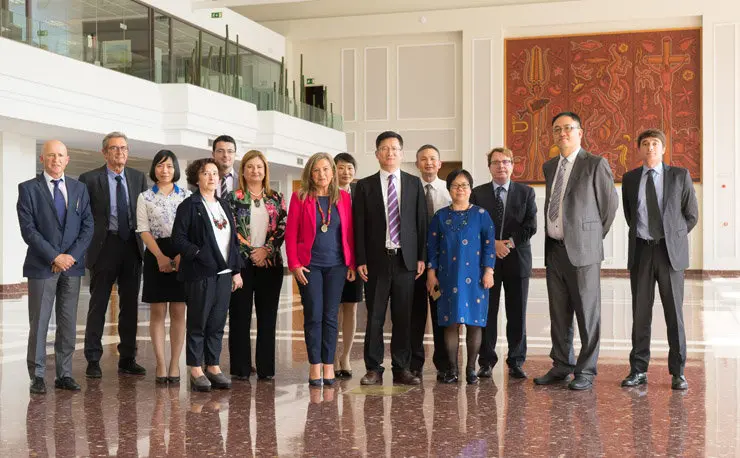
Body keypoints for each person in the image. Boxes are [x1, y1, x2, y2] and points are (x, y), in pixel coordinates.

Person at [534, 112, 619, 390]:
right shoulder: (550, 167)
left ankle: (586, 370)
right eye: (557, 129)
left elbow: (609, 208)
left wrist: (590, 238)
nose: (562, 134)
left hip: (584, 252)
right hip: (554, 251)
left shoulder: (595, 164)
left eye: (568, 128)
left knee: (587, 313)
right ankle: (561, 364)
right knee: (558, 314)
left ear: (580, 133)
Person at [620, 129, 698, 390]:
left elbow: (691, 215)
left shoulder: (679, 176)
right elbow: (631, 216)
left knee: (674, 314)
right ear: (639, 150)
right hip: (642, 251)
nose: (650, 148)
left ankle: (678, 372)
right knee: (640, 314)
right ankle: (638, 370)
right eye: (645, 144)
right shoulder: (630, 179)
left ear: (663, 149)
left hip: (669, 254)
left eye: (655, 143)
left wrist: (673, 236)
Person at [17, 140, 94, 394]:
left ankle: (65, 374)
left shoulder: (79, 189)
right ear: (42, 159)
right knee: (39, 322)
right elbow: (29, 230)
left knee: (68, 321)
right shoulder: (28, 189)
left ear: (67, 159)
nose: (56, 160)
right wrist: (54, 256)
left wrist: (70, 256)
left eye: (60, 155)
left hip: (72, 267)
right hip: (42, 266)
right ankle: (37, 375)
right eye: (51, 155)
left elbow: (87, 226)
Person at [354, 131, 427, 386]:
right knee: (374, 316)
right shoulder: (364, 186)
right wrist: (360, 258)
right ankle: (373, 368)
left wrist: (421, 257)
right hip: (376, 261)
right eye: (384, 148)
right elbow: (358, 225)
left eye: (395, 148)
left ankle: (401, 367)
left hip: (405, 261)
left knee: (403, 316)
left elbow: (421, 223)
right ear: (377, 154)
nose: (390, 152)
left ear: (402, 153)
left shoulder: (414, 183)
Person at [79, 131, 148, 378]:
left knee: (130, 306)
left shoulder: (138, 178)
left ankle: (127, 358)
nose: (120, 153)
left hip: (132, 247)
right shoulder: (89, 179)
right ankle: (93, 359)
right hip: (104, 247)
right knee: (98, 305)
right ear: (105, 152)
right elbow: (83, 218)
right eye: (115, 148)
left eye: (124, 148)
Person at [171, 158, 243, 392]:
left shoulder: (223, 205)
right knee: (198, 322)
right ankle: (195, 368)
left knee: (217, 323)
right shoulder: (189, 205)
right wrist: (199, 253)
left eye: (215, 173)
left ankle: (213, 365)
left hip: (223, 274)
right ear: (197, 178)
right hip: (200, 273)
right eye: (206, 173)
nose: (211, 177)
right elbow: (178, 239)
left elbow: (232, 241)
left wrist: (236, 271)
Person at [285, 153, 356, 386]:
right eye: (316, 170)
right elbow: (291, 233)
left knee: (331, 316)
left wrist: (352, 263)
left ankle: (329, 364)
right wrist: (294, 264)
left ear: (333, 173)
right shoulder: (300, 197)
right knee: (313, 315)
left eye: (326, 169)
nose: (321, 174)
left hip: (337, 266)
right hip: (309, 266)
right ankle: (315, 364)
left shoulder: (344, 198)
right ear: (310, 173)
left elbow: (349, 233)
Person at [471, 147, 537, 379]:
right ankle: (486, 361)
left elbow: (530, 226)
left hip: (516, 260)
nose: (501, 166)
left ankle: (516, 361)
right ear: (489, 167)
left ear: (512, 165)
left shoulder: (526, 193)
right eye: (496, 162)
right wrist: (493, 245)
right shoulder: (477, 194)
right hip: (487, 263)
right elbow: (474, 226)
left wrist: (506, 244)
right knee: (487, 312)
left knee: (516, 312)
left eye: (505, 161)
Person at [426, 169, 495, 384]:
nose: (460, 189)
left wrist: (489, 271)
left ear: (470, 189)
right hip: (447, 277)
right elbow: (432, 247)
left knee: (475, 323)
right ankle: (452, 370)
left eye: (464, 185)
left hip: (476, 278)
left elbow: (489, 246)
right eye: (455, 185)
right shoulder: (440, 216)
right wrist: (431, 273)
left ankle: (471, 369)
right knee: (449, 323)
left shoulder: (482, 215)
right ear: (449, 189)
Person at [227, 149, 287, 381]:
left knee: (267, 317)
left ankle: (266, 369)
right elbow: (230, 230)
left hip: (270, 265)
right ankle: (240, 369)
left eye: (259, 167)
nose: (255, 170)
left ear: (265, 171)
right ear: (243, 170)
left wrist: (266, 251)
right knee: (240, 316)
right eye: (250, 166)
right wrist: (251, 253)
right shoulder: (233, 198)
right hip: (242, 265)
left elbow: (283, 227)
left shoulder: (276, 198)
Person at [136, 150, 191, 384]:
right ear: (154, 169)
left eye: (169, 166)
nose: (164, 170)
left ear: (175, 168)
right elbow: (142, 229)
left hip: (181, 254)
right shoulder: (145, 197)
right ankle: (160, 364)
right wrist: (159, 256)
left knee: (179, 312)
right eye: (160, 166)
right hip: (155, 253)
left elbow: (191, 229)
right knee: (157, 313)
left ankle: (174, 365)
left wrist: (180, 256)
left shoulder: (187, 196)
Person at [410, 144, 452, 380]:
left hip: (438, 270)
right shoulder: (411, 190)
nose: (428, 163)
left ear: (439, 163)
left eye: (432, 159)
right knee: (415, 314)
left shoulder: (449, 193)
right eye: (423, 159)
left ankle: (443, 363)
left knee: (438, 313)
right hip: (415, 267)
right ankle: (415, 363)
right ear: (417, 164)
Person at [333, 152, 362, 379]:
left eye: (349, 168)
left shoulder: (360, 193)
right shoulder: (327, 193)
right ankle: (332, 358)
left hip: (354, 259)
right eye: (341, 167)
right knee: (333, 310)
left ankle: (346, 356)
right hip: (332, 260)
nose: (345, 172)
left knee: (351, 307)